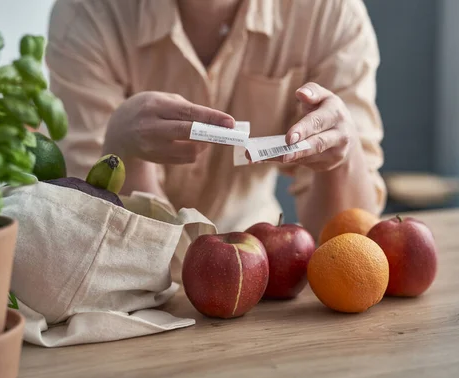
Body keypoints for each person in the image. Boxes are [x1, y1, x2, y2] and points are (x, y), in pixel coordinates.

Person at [44, 0, 387, 239]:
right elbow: (88, 230)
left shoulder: (330, 13)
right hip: (136, 283)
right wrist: (125, 153)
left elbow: (352, 242)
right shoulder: (86, 15)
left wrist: (340, 154)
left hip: (264, 267)